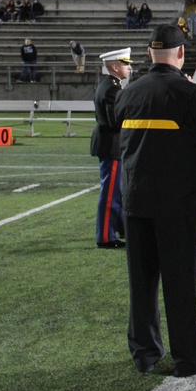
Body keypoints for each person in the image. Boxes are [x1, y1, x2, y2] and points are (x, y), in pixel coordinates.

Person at [114, 24, 196, 377]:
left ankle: (144, 353)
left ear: (150, 53)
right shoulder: (193, 94)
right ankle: (189, 357)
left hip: (136, 200)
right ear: (181, 54)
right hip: (179, 204)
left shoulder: (127, 93)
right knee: (180, 282)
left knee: (141, 281)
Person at [90, 48, 133, 249]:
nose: (129, 67)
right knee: (110, 193)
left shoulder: (109, 85)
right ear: (115, 67)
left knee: (117, 191)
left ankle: (119, 228)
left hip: (110, 143)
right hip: (112, 144)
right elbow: (116, 121)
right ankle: (106, 237)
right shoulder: (112, 89)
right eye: (125, 64)